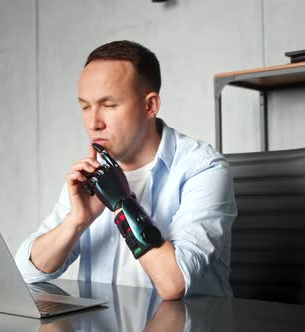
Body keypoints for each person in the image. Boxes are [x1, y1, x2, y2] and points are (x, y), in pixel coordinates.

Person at [14, 40, 237, 299]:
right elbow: (27, 271)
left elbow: (173, 283)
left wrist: (121, 202)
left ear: (149, 106)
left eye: (108, 105)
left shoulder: (204, 169)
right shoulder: (91, 173)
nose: (93, 122)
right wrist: (77, 221)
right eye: (85, 106)